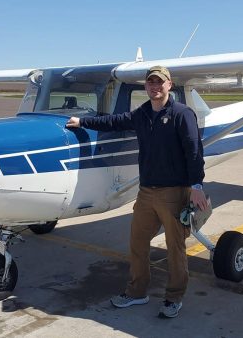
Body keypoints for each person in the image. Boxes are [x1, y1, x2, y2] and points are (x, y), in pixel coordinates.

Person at [66, 65, 207, 318]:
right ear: (146, 86)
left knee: (175, 247)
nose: (155, 86)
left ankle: (174, 297)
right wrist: (82, 121)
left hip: (174, 192)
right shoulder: (141, 113)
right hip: (146, 193)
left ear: (169, 85)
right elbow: (113, 121)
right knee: (137, 242)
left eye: (159, 82)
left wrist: (196, 186)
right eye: (150, 82)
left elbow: (194, 152)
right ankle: (137, 292)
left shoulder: (182, 114)